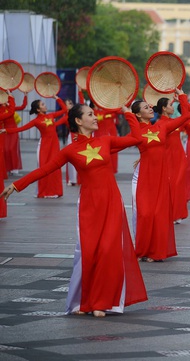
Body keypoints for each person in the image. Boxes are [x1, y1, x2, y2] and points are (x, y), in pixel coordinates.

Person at [0, 103, 147, 317]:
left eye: (94, 114)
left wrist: (128, 115)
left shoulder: (105, 141)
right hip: (89, 206)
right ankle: (86, 301)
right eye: (90, 115)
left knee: (109, 250)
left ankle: (101, 302)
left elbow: (137, 139)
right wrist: (17, 185)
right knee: (90, 253)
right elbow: (45, 169)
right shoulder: (70, 150)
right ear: (78, 121)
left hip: (112, 203)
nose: (95, 117)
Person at [127, 90, 190, 262]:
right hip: (145, 178)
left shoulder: (162, 126)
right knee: (145, 214)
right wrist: (126, 114)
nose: (150, 108)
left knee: (159, 214)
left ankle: (156, 251)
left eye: (149, 106)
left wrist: (183, 97)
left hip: (161, 178)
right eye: (145, 107)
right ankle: (143, 249)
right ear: (137, 114)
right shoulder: (136, 133)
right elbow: (114, 145)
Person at [5, 97, 67, 198]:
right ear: (38, 109)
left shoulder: (51, 115)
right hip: (44, 147)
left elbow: (64, 110)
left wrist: (57, 98)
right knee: (44, 169)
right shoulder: (36, 121)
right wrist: (6, 131)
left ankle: (55, 191)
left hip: (54, 146)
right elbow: (21, 128)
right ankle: (44, 192)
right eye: (42, 105)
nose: (45, 106)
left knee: (55, 168)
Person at [153, 95, 190, 223]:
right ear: (164, 108)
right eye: (170, 105)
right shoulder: (160, 124)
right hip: (167, 159)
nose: (172, 107)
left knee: (179, 185)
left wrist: (181, 97)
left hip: (180, 158)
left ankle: (177, 213)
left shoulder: (174, 121)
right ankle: (170, 214)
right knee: (171, 186)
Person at [4, 92, 26, 174]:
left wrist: (25, 95)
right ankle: (6, 167)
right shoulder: (2, 109)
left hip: (13, 130)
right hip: (4, 130)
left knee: (12, 148)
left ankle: (14, 167)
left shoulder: (11, 108)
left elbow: (23, 106)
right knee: (5, 149)